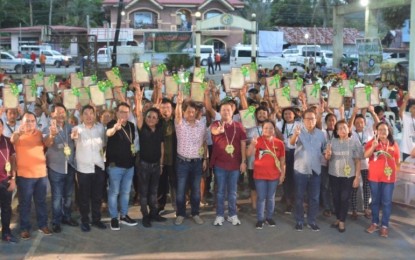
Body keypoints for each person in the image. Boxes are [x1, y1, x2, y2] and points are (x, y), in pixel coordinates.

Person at [11, 112, 52, 240]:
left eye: (32, 121)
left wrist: (52, 134)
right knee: (25, 203)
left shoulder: (39, 134)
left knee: (41, 202)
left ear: (36, 122)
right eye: (27, 121)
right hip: (24, 176)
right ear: (22, 122)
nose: (29, 123)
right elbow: (12, 139)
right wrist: (18, 132)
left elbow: (49, 143)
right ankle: (24, 228)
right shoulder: (18, 135)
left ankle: (43, 225)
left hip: (41, 175)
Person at [134, 86, 166, 228]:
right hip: (144, 165)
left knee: (154, 191)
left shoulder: (159, 130)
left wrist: (161, 164)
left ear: (158, 120)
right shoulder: (142, 128)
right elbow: (139, 114)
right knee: (144, 192)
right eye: (149, 117)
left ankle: (154, 213)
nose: (151, 119)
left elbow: (161, 147)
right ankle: (145, 215)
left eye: (154, 117)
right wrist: (138, 99)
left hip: (155, 165)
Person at [289, 109, 326, 232]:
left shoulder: (321, 134)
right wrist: (296, 135)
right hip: (300, 170)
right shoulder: (298, 131)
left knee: (314, 197)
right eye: (308, 118)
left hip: (316, 170)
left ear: (316, 120)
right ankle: (299, 220)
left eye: (313, 118)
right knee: (299, 196)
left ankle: (311, 221)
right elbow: (291, 143)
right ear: (303, 120)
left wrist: (327, 154)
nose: (310, 121)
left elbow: (324, 149)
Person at [210, 102, 247, 226]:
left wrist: (243, 161)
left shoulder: (239, 126)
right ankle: (220, 215)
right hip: (220, 165)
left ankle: (232, 215)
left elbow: (243, 145)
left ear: (233, 112)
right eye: (223, 110)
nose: (226, 112)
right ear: (220, 112)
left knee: (232, 192)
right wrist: (219, 130)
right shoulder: (216, 124)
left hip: (235, 165)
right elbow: (214, 131)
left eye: (228, 110)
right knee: (220, 191)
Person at [71, 105, 107, 232]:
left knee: (97, 196)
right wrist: (75, 134)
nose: (88, 116)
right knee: (84, 197)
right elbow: (74, 137)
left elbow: (104, 143)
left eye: (91, 113)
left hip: (98, 166)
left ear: (95, 115)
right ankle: (85, 221)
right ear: (81, 116)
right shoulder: (77, 129)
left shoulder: (100, 128)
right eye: (85, 114)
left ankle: (96, 220)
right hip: (83, 169)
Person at [44, 104, 78, 233]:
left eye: (63, 112)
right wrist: (52, 135)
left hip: (70, 166)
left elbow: (75, 142)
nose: (61, 115)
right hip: (56, 168)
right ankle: (56, 221)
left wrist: (76, 137)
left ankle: (67, 217)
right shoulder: (48, 128)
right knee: (57, 197)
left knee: (68, 195)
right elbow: (47, 143)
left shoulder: (71, 127)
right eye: (58, 112)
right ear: (52, 114)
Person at [174, 92, 207, 225]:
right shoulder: (180, 124)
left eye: (193, 112)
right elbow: (177, 115)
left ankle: (195, 213)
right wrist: (179, 103)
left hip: (197, 162)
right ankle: (181, 214)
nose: (191, 114)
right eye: (188, 111)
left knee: (196, 191)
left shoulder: (201, 125)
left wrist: (205, 159)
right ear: (184, 112)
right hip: (182, 162)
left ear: (196, 112)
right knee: (181, 190)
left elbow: (204, 142)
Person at [247, 120, 285, 229]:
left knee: (271, 198)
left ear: (274, 130)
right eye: (266, 128)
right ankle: (260, 219)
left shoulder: (279, 143)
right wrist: (253, 145)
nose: (268, 130)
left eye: (271, 128)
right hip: (259, 175)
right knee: (261, 197)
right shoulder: (257, 141)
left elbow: (282, 160)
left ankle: (269, 217)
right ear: (262, 129)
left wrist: (283, 174)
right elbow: (249, 154)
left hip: (274, 175)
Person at [325, 120, 362, 233]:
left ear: (348, 129)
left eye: (344, 127)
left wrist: (357, 177)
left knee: (344, 198)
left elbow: (357, 161)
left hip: (348, 175)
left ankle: (342, 221)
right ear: (336, 131)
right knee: (335, 197)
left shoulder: (354, 142)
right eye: (339, 128)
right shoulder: (332, 142)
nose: (342, 130)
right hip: (334, 174)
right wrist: (328, 155)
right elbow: (327, 158)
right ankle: (338, 218)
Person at [364, 122, 400, 238]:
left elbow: (397, 160)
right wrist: (374, 146)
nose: (382, 132)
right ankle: (374, 223)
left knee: (387, 202)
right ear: (376, 131)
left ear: (388, 131)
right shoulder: (372, 142)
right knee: (375, 201)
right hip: (374, 178)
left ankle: (384, 226)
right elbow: (365, 155)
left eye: (385, 130)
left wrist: (394, 172)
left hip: (389, 179)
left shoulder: (394, 144)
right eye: (380, 130)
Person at [106, 102, 138, 231]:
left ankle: (123, 215)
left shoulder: (131, 125)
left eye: (126, 112)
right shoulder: (112, 124)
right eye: (121, 111)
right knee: (114, 192)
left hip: (129, 166)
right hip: (115, 166)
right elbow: (108, 133)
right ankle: (114, 217)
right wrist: (115, 128)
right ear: (117, 113)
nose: (124, 114)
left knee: (126, 192)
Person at [157, 98, 177, 214]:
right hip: (160, 160)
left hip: (174, 159)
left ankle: (176, 206)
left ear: (172, 109)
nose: (166, 110)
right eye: (163, 108)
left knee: (175, 184)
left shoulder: (177, 121)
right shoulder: (157, 122)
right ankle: (160, 206)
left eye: (168, 108)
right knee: (161, 184)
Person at [0, 119, 18, 243]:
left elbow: (13, 161)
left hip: (5, 181)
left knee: (6, 208)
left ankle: (6, 232)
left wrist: (13, 179)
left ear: (2, 128)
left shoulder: (7, 142)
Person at [399, 94, 415, 161]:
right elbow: (400, 112)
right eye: (414, 108)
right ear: (410, 109)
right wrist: (405, 100)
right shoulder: (406, 117)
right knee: (406, 170)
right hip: (406, 149)